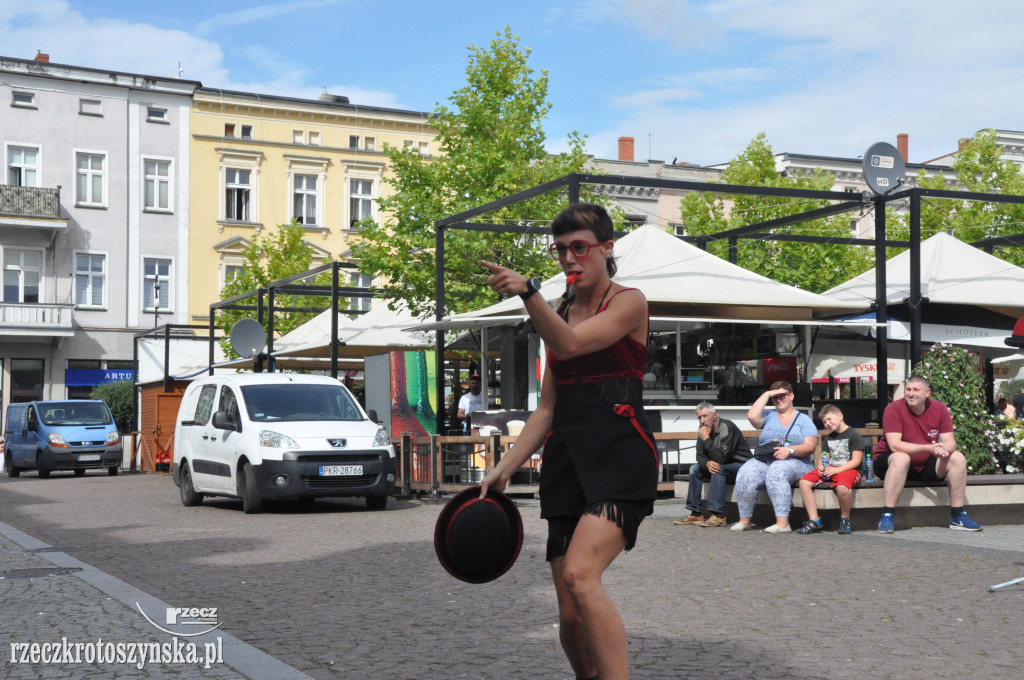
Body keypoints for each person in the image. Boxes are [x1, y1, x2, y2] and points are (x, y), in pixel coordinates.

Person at [480, 202, 657, 680]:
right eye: (560, 250)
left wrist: (528, 293)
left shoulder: (629, 301)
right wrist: (506, 467)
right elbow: (546, 409)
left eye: (580, 247)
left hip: (621, 453)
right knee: (570, 611)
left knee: (581, 575)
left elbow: (573, 344)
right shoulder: (558, 310)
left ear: (606, 248)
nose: (569, 258)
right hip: (568, 461)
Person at [873, 374, 982, 533]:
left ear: (927, 392)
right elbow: (895, 445)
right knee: (901, 458)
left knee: (957, 457)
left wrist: (945, 449)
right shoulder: (893, 409)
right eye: (908, 389)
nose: (911, 393)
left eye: (916, 390)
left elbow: (950, 441)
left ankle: (957, 516)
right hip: (890, 463)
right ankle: (887, 516)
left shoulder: (939, 408)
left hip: (924, 465)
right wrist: (929, 448)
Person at [732, 381, 818, 533]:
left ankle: (783, 523)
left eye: (783, 395)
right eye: (775, 397)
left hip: (797, 461)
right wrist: (767, 394)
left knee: (777, 471)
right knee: (746, 471)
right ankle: (744, 520)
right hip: (767, 459)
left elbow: (810, 446)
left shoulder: (803, 419)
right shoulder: (769, 416)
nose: (779, 400)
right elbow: (752, 417)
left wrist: (790, 450)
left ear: (791, 396)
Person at [673, 402, 751, 528]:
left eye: (705, 416)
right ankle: (696, 513)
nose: (702, 421)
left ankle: (719, 515)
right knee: (694, 469)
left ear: (714, 416)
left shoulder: (727, 427)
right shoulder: (703, 430)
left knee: (719, 469)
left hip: (742, 466)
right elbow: (699, 456)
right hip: (723, 465)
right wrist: (707, 462)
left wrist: (706, 439)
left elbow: (722, 458)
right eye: (699, 417)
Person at [796, 404, 864, 535]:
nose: (827, 423)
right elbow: (824, 457)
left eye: (829, 419)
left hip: (849, 470)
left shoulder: (854, 435)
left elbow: (856, 461)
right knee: (804, 482)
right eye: (824, 422)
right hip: (831, 469)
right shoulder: (828, 438)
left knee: (842, 487)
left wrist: (837, 470)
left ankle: (845, 519)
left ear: (840, 416)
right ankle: (814, 519)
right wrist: (821, 466)